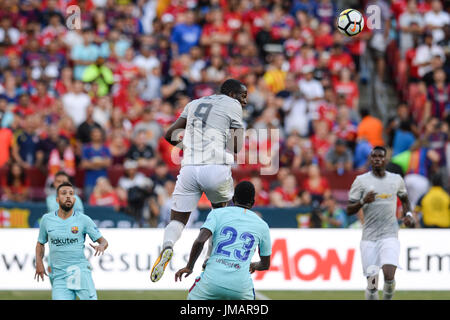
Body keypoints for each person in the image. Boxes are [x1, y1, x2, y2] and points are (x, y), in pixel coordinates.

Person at [150, 79, 247, 283]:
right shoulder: (233, 104)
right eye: (243, 96)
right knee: (220, 216)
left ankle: (167, 246)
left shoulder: (194, 103)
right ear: (231, 94)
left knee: (177, 219)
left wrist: (190, 146)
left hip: (189, 169)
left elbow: (169, 135)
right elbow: (236, 147)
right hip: (215, 166)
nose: (244, 101)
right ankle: (209, 262)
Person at [175, 181, 271, 300]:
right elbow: (265, 264)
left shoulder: (217, 214)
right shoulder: (262, 225)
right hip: (240, 287)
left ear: (233, 198)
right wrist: (253, 265)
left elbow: (200, 241)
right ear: (253, 203)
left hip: (211, 281)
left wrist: (189, 266)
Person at [347, 146, 415, 300]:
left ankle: (388, 295)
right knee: (372, 284)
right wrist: (364, 201)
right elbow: (350, 208)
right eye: (374, 156)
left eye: (380, 156)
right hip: (369, 237)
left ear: (385, 160)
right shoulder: (361, 181)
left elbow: (405, 199)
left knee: (389, 275)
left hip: (389, 234)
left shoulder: (396, 180)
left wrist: (408, 214)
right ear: (371, 159)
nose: (377, 159)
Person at [35, 182, 108, 300]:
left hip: (81, 273)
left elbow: (103, 241)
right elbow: (40, 243)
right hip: (59, 276)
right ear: (57, 199)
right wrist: (39, 262)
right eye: (64, 193)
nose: (68, 196)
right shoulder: (47, 219)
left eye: (71, 194)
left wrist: (101, 246)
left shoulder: (84, 220)